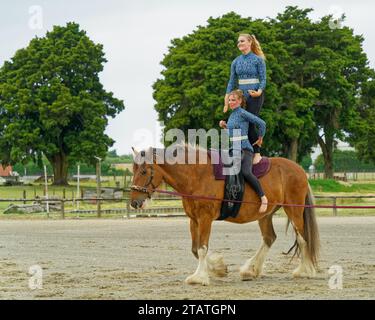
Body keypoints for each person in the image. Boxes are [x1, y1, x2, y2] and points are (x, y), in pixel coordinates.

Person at [219, 90, 268, 213]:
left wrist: (260, 138)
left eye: (233, 100)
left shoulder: (242, 113)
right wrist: (225, 126)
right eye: (229, 100)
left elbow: (262, 123)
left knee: (246, 172)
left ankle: (263, 198)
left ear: (240, 101)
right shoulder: (232, 115)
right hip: (233, 149)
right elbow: (234, 132)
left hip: (245, 149)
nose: (230, 102)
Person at [224, 33, 266, 165]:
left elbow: (263, 79)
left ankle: (257, 152)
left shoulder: (258, 60)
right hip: (241, 96)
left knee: (251, 122)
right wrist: (226, 102)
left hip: (254, 95)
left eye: (242, 41)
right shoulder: (235, 62)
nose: (239, 44)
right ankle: (243, 151)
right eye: (238, 42)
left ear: (250, 42)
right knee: (241, 122)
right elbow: (231, 82)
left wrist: (258, 92)